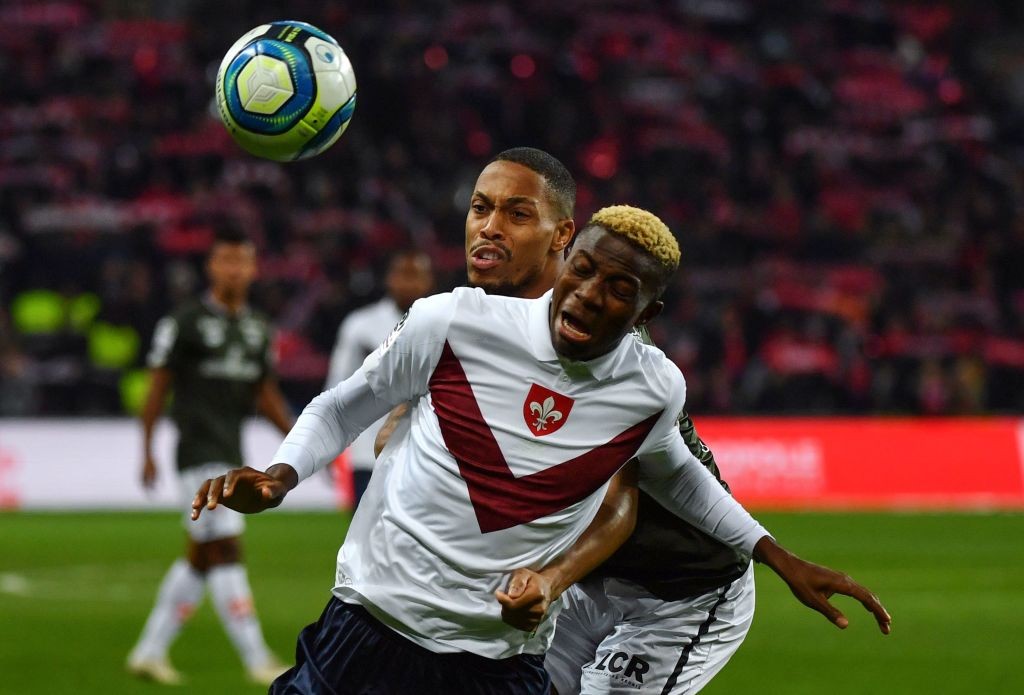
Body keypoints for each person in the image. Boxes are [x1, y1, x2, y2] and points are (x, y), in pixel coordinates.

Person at [193, 203, 889, 694]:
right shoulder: (462, 319)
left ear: (647, 314)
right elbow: (350, 400)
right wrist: (284, 470)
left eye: (619, 291)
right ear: (563, 256)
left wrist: (772, 553)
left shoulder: (648, 388)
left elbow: (662, 482)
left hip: (682, 593)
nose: (587, 297)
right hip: (540, 598)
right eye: (581, 271)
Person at [380, 148, 889, 694]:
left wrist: (550, 580)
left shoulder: (605, 353)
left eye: (516, 216)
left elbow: (619, 504)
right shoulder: (488, 324)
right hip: (589, 583)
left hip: (681, 593)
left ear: (560, 238)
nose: (491, 231)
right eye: (483, 211)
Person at [126, 228, 293, 686]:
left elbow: (266, 394)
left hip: (231, 453)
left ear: (255, 269)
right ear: (212, 267)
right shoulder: (184, 321)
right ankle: (257, 658)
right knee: (227, 548)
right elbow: (157, 386)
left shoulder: (259, 328)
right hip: (196, 452)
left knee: (201, 557)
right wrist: (146, 450)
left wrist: (302, 443)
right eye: (226, 261)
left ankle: (149, 651)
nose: (235, 270)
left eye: (243, 261)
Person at [323, 250, 433, 506]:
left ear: (429, 281)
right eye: (403, 275)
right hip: (368, 453)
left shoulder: (445, 324)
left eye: (416, 275)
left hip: (426, 454)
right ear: (389, 279)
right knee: (366, 541)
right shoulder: (360, 326)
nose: (410, 283)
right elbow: (337, 385)